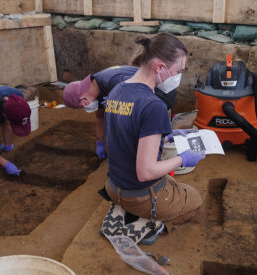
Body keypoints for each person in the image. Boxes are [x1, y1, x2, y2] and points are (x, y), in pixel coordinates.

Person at [103, 33, 205, 242]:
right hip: (138, 192)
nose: (178, 77)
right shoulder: (153, 105)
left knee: (169, 183)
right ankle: (149, 227)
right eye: (178, 71)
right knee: (194, 201)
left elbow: (128, 135)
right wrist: (184, 159)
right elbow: (146, 172)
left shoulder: (117, 90)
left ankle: (121, 210)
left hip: (113, 185)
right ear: (159, 67)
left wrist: (166, 137)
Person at [63, 66, 177, 160]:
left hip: (162, 94)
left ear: (83, 99)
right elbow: (100, 117)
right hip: (148, 95)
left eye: (81, 107)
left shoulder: (111, 80)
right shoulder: (95, 86)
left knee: (123, 119)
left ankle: (149, 151)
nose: (84, 108)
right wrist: (100, 142)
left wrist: (121, 99)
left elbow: (144, 91)